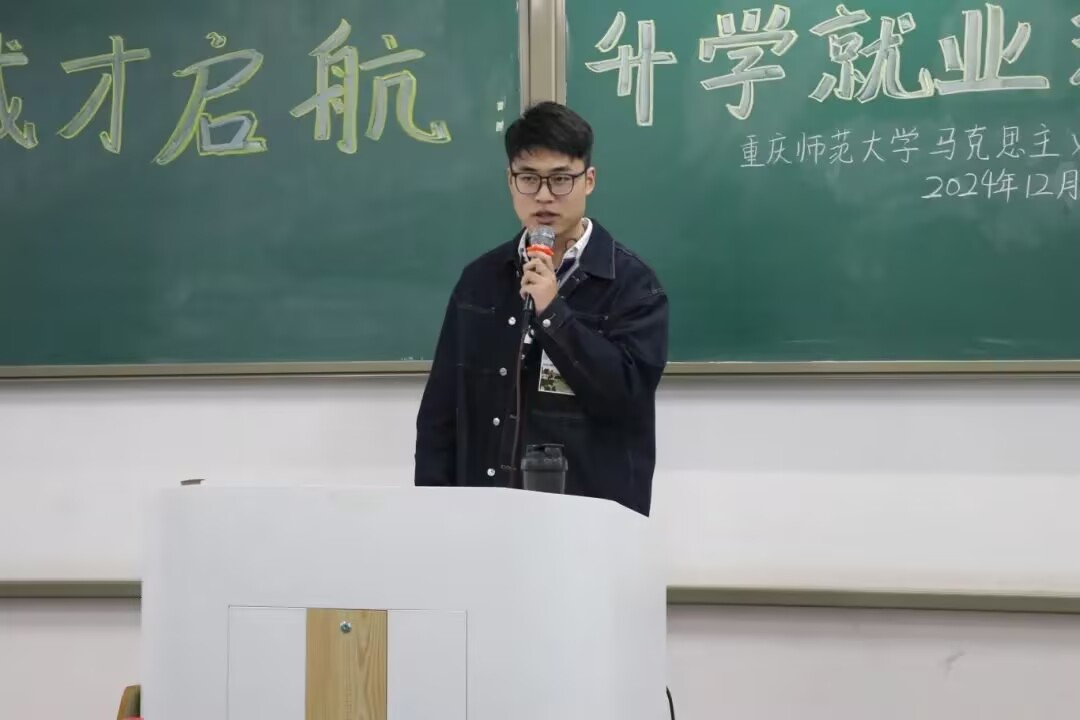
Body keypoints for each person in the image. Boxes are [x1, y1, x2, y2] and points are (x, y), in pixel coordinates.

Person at [414, 101, 669, 516]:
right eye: (529, 178)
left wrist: (553, 312)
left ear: (589, 180)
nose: (544, 195)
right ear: (510, 181)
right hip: (486, 514)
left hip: (590, 520)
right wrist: (433, 512)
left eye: (560, 179)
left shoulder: (633, 285)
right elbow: (440, 413)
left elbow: (626, 399)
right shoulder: (480, 280)